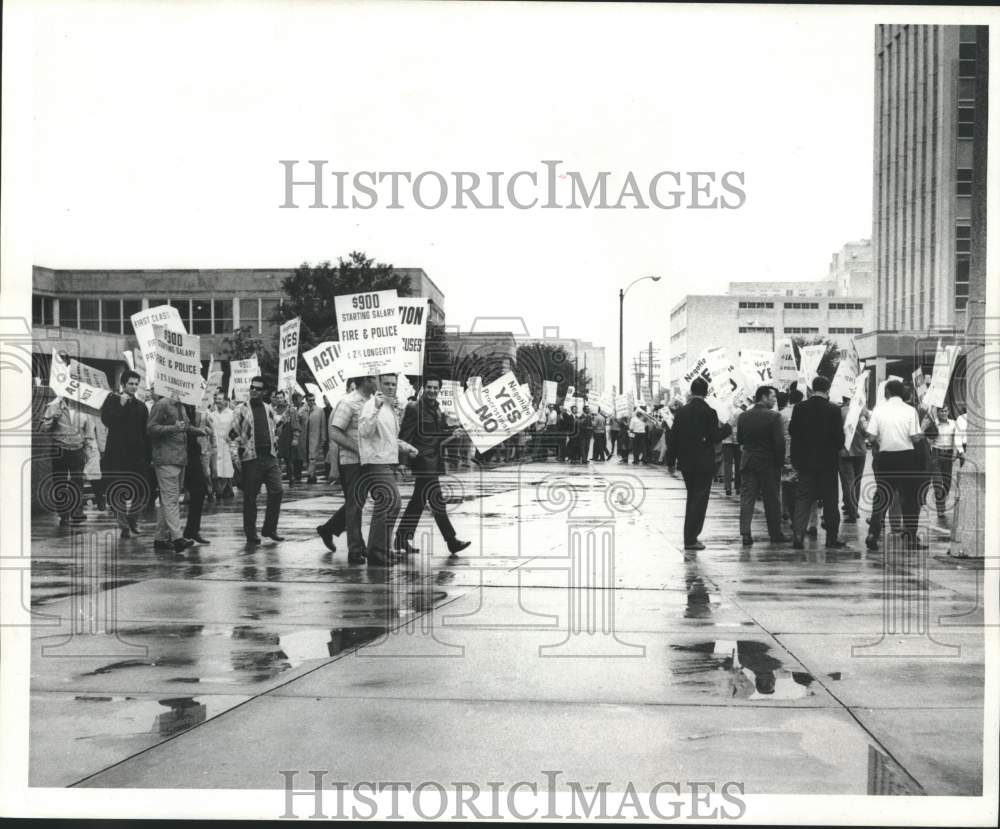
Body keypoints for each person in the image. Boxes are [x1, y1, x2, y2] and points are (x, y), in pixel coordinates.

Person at [395, 377, 472, 557]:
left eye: (435, 388)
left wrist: (454, 433)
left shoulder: (437, 409)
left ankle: (401, 537)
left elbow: (439, 435)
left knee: (418, 502)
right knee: (437, 502)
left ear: (439, 389)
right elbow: (405, 436)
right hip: (422, 462)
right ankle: (451, 541)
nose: (431, 390)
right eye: (428, 387)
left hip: (434, 461)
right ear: (424, 389)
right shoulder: (414, 408)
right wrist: (402, 462)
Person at [666, 377, 732, 551]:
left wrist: (670, 462)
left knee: (692, 497)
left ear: (691, 391)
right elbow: (715, 437)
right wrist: (727, 428)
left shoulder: (681, 412)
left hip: (686, 462)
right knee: (699, 499)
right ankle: (691, 538)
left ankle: (689, 536)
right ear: (706, 392)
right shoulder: (709, 412)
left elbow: (673, 439)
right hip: (703, 463)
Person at [358, 373, 417, 567]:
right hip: (375, 460)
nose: (391, 387)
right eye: (387, 384)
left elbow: (389, 437)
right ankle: (376, 552)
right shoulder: (371, 404)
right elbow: (365, 431)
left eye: (393, 384)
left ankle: (383, 549)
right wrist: (375, 406)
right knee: (389, 501)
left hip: (387, 460)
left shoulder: (391, 408)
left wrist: (405, 448)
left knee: (393, 504)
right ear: (378, 383)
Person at [864, 379, 928, 551]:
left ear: (887, 393)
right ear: (902, 393)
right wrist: (923, 430)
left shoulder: (878, 410)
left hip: (885, 458)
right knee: (909, 499)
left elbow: (870, 437)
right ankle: (911, 538)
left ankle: (873, 534)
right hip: (907, 458)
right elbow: (915, 438)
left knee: (882, 498)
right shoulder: (910, 410)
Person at [319, 376, 375, 563]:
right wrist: (355, 449)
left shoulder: (372, 401)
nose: (378, 381)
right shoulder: (348, 403)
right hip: (351, 462)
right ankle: (355, 550)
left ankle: (329, 530)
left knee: (356, 502)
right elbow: (334, 432)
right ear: (365, 380)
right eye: (374, 378)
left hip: (368, 460)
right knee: (354, 504)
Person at [789, 376, 847, 549]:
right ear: (828, 389)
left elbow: (792, 431)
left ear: (812, 389)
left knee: (803, 499)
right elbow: (839, 439)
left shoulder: (799, 408)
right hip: (827, 463)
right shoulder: (833, 410)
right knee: (830, 501)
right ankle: (831, 538)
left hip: (805, 462)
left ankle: (798, 535)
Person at [230, 376, 284, 543]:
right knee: (250, 497)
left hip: (269, 457)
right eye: (252, 387)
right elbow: (232, 435)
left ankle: (269, 529)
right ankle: (251, 533)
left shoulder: (268, 408)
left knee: (277, 490)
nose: (254, 390)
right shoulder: (241, 409)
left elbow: (276, 428)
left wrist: (283, 421)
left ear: (264, 392)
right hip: (251, 458)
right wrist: (236, 461)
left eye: (258, 389)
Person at [147, 392, 199, 555]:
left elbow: (185, 427)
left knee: (169, 499)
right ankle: (177, 538)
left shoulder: (181, 405)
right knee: (170, 499)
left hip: (179, 458)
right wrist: (172, 428)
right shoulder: (162, 404)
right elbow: (151, 428)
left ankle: (160, 538)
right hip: (166, 458)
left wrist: (199, 430)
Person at [101, 370, 152, 537]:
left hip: (137, 456)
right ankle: (123, 526)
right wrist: (121, 407)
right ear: (123, 384)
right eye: (131, 383)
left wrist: (148, 456)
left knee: (141, 491)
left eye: (136, 384)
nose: (134, 387)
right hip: (117, 455)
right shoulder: (112, 400)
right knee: (120, 491)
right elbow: (108, 421)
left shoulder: (142, 406)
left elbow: (146, 433)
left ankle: (132, 520)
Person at [736, 386, 786, 545]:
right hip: (768, 463)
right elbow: (779, 443)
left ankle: (745, 533)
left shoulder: (743, 416)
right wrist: (780, 462)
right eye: (773, 397)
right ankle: (775, 534)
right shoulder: (774, 417)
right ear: (764, 397)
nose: (775, 400)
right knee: (771, 499)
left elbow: (741, 439)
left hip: (749, 460)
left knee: (747, 498)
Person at [41, 393, 97, 527]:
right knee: (59, 482)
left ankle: (77, 512)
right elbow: (43, 428)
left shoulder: (84, 408)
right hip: (59, 449)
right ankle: (63, 515)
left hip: (77, 449)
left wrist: (89, 451)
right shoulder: (54, 406)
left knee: (77, 482)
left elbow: (89, 433)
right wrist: (52, 420)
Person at [182, 403, 212, 545]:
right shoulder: (174, 404)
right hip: (177, 451)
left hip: (193, 451)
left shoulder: (196, 407)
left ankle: (192, 530)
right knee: (172, 495)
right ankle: (169, 535)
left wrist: (205, 429)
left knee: (199, 490)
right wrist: (198, 431)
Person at [838, 395, 870, 523]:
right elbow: (867, 431)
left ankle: (852, 510)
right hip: (860, 451)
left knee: (848, 482)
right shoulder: (862, 411)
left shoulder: (839, 412)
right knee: (857, 481)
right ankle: (853, 508)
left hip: (844, 452)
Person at [927, 404, 957, 526]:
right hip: (936, 453)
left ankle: (941, 500)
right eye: (941, 411)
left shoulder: (953, 424)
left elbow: (957, 439)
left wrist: (955, 451)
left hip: (948, 454)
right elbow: (928, 440)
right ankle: (940, 507)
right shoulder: (934, 424)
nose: (944, 413)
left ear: (948, 411)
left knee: (947, 483)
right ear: (938, 413)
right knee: (938, 483)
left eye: (946, 411)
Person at [207, 392, 235, 499]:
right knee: (215, 469)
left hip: (227, 445)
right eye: (216, 399)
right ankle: (218, 490)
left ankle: (226, 489)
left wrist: (231, 439)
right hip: (214, 444)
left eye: (220, 399)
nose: (217, 401)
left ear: (226, 401)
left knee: (226, 468)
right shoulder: (211, 414)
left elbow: (235, 429)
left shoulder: (232, 413)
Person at [272, 389, 301, 486]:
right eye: (277, 398)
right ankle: (278, 480)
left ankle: (291, 479)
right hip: (277, 439)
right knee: (277, 461)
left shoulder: (290, 410)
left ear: (284, 398)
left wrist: (295, 438)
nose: (279, 399)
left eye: (281, 397)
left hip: (288, 437)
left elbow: (296, 424)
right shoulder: (273, 411)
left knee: (289, 461)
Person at [297, 391, 326, 483]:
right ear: (306, 401)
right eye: (310, 400)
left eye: (313, 400)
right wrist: (303, 409)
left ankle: (311, 475)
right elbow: (297, 419)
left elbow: (323, 425)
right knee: (307, 457)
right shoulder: (302, 410)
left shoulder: (320, 410)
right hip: (304, 438)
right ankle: (312, 475)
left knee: (312, 457)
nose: (312, 402)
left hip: (315, 437)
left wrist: (323, 438)